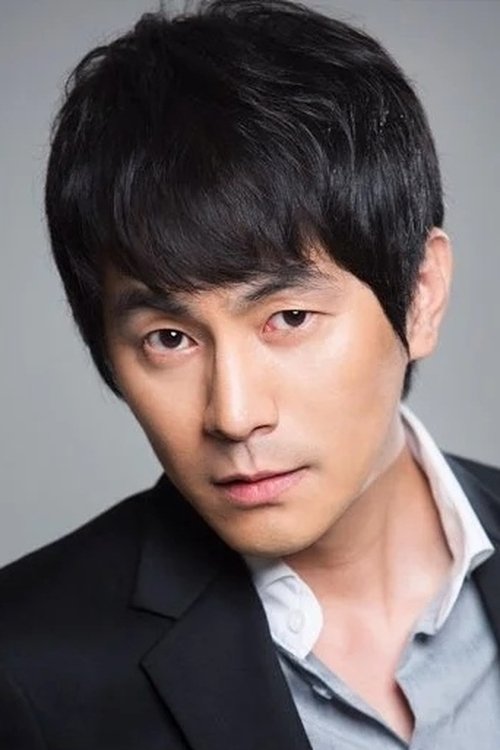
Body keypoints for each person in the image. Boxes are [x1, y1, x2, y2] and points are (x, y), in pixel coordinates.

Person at [1, 0, 499, 747]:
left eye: (289, 318)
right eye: (170, 338)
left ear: (421, 295)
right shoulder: (26, 667)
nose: (233, 415)